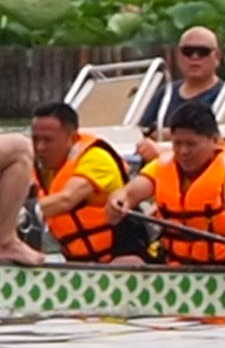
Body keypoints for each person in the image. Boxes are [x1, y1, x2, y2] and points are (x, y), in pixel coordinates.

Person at [107, 103, 225, 266]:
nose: (183, 152)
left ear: (216, 141)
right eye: (177, 144)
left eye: (191, 144)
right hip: (173, 267)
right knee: (126, 262)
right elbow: (128, 194)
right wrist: (118, 201)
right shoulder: (162, 167)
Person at [28, 102, 141, 264]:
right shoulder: (36, 167)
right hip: (77, 263)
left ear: (72, 138)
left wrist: (18, 213)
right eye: (35, 139)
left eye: (48, 140)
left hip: (121, 257)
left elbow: (66, 199)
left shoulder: (96, 158)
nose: (40, 147)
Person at [138, 27, 225, 133]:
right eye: (188, 51)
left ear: (217, 57)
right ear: (178, 56)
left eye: (203, 52)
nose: (195, 57)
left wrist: (164, 134)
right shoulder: (165, 93)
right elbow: (142, 131)